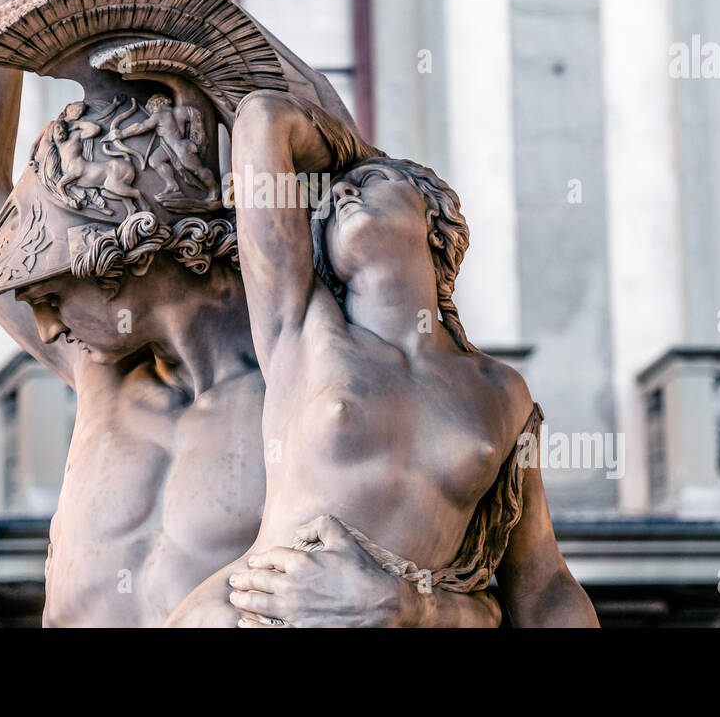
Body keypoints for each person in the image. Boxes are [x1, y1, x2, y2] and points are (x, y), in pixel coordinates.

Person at [0, 0, 514, 625]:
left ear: (151, 249)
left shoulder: (342, 391)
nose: (44, 319)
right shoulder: (103, 373)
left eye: (58, 287)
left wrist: (423, 609)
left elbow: (523, 601)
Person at [166, 91, 599, 627]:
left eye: (372, 181)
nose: (346, 188)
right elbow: (263, 119)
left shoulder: (501, 392)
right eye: (337, 193)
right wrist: (355, 156)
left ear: (435, 224)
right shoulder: (304, 329)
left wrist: (419, 606)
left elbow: (543, 580)